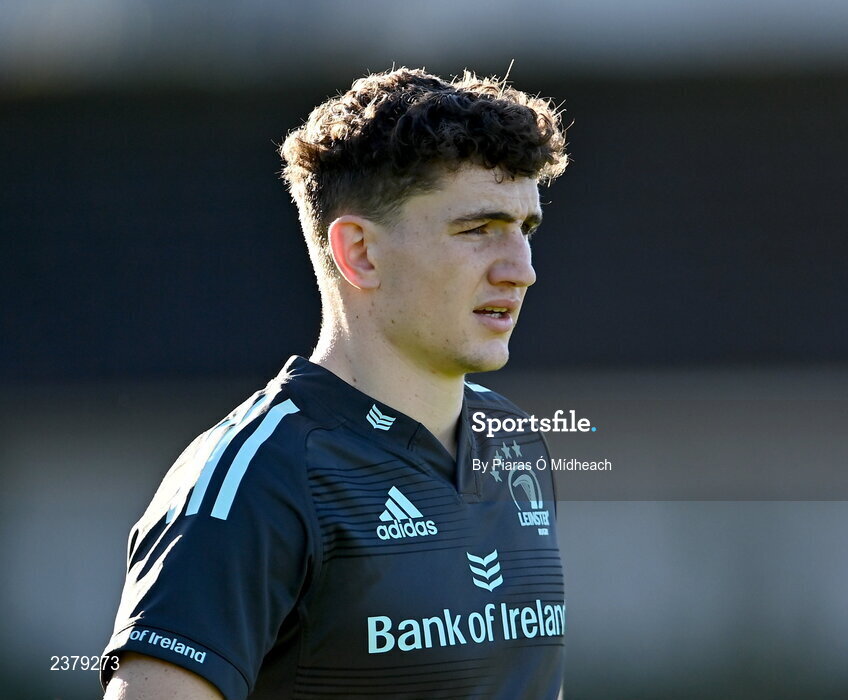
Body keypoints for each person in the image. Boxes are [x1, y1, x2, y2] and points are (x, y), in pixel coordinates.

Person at [100, 67, 569, 699]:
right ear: (360, 253)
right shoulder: (259, 477)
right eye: (478, 229)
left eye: (525, 230)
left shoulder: (514, 442)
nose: (522, 271)